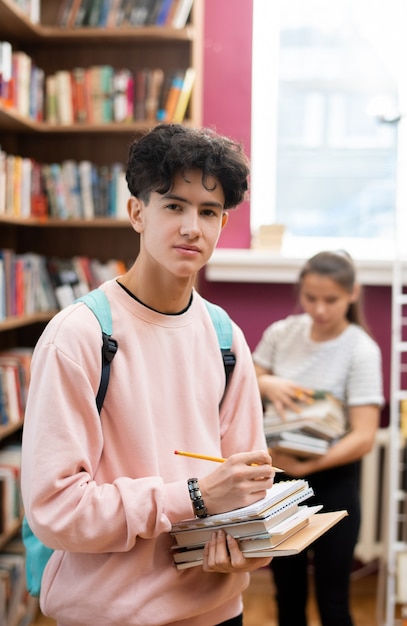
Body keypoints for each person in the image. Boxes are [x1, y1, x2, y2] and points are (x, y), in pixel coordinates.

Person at [21, 123, 276, 626]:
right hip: (111, 615)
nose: (191, 228)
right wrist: (194, 498)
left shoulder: (226, 336)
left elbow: (248, 489)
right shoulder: (79, 335)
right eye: (174, 206)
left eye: (208, 212)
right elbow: (55, 510)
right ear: (138, 212)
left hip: (220, 609)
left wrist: (253, 546)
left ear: (222, 223)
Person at [252, 250, 384, 626]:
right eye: (311, 298)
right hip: (279, 481)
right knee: (287, 592)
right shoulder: (282, 332)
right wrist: (268, 382)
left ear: (352, 294)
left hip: (333, 482)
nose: (320, 309)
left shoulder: (361, 349)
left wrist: (307, 465)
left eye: (331, 300)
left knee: (333, 598)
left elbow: (363, 436)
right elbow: (246, 381)